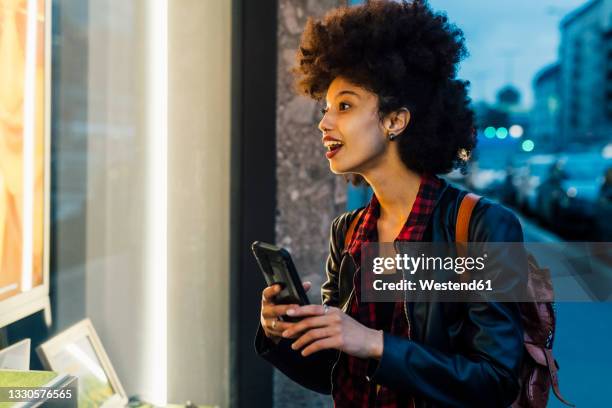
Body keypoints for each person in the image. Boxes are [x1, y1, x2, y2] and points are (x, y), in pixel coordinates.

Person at [255, 1, 525, 407]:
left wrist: (376, 344)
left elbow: (496, 381)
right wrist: (284, 333)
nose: (324, 123)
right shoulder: (347, 232)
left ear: (395, 120)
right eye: (326, 109)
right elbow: (336, 372)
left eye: (344, 106)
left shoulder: (482, 226)